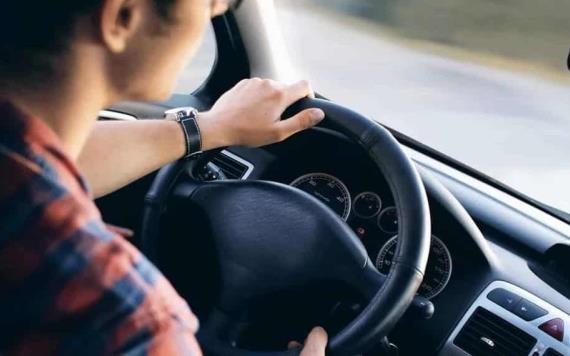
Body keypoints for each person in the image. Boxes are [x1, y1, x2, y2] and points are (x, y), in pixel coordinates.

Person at [0, 0, 328, 354]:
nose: (218, 12)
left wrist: (210, 128)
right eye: (210, 2)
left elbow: (44, 159)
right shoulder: (131, 325)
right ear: (121, 16)